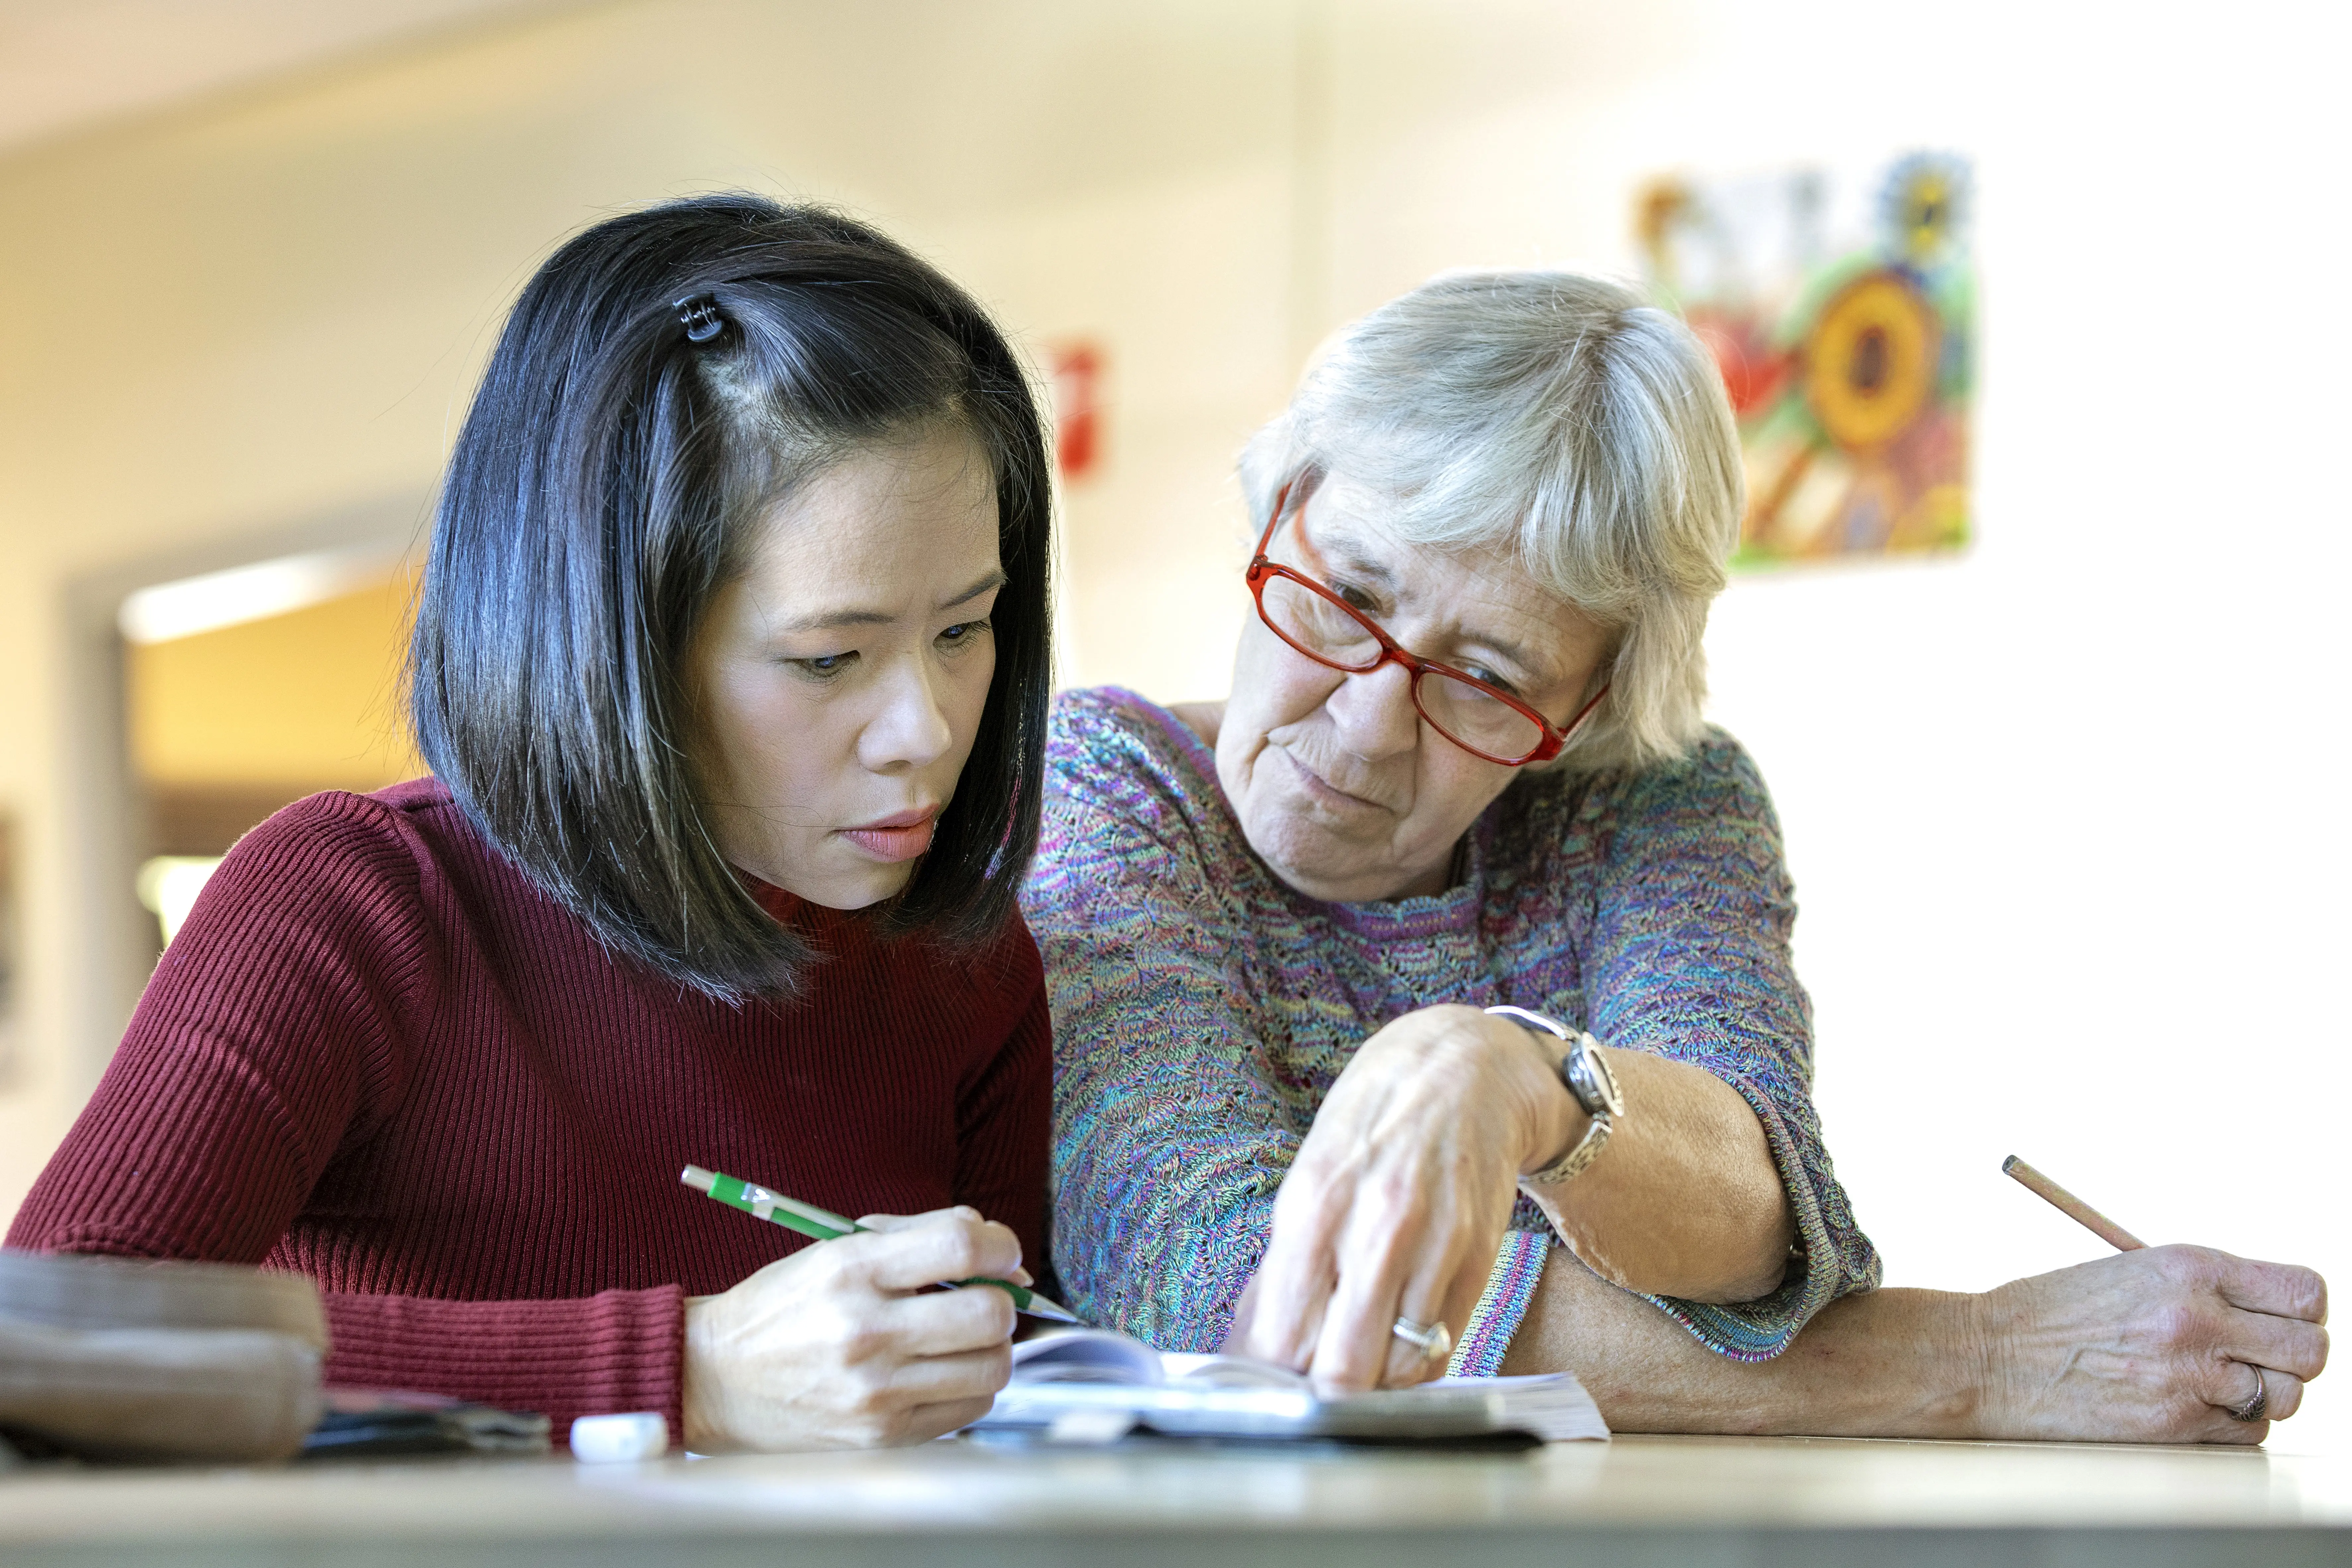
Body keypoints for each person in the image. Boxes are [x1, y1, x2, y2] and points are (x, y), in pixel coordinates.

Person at [1023, 270, 2328, 1440]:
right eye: (1348, 597)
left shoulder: (1654, 801)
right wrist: (1977, 1356)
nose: (1365, 729)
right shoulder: (1104, 786)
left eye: (1485, 678)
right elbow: (1249, 1300)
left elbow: (1762, 1227)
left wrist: (1517, 1076)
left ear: (1587, 710)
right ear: (1280, 504)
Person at [9, 194, 1058, 1452]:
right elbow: (49, 1344)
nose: (928, 728)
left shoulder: (968, 970)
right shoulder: (354, 905)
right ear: (606, 650)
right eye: (830, 658)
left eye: (962, 630)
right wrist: (678, 1370)